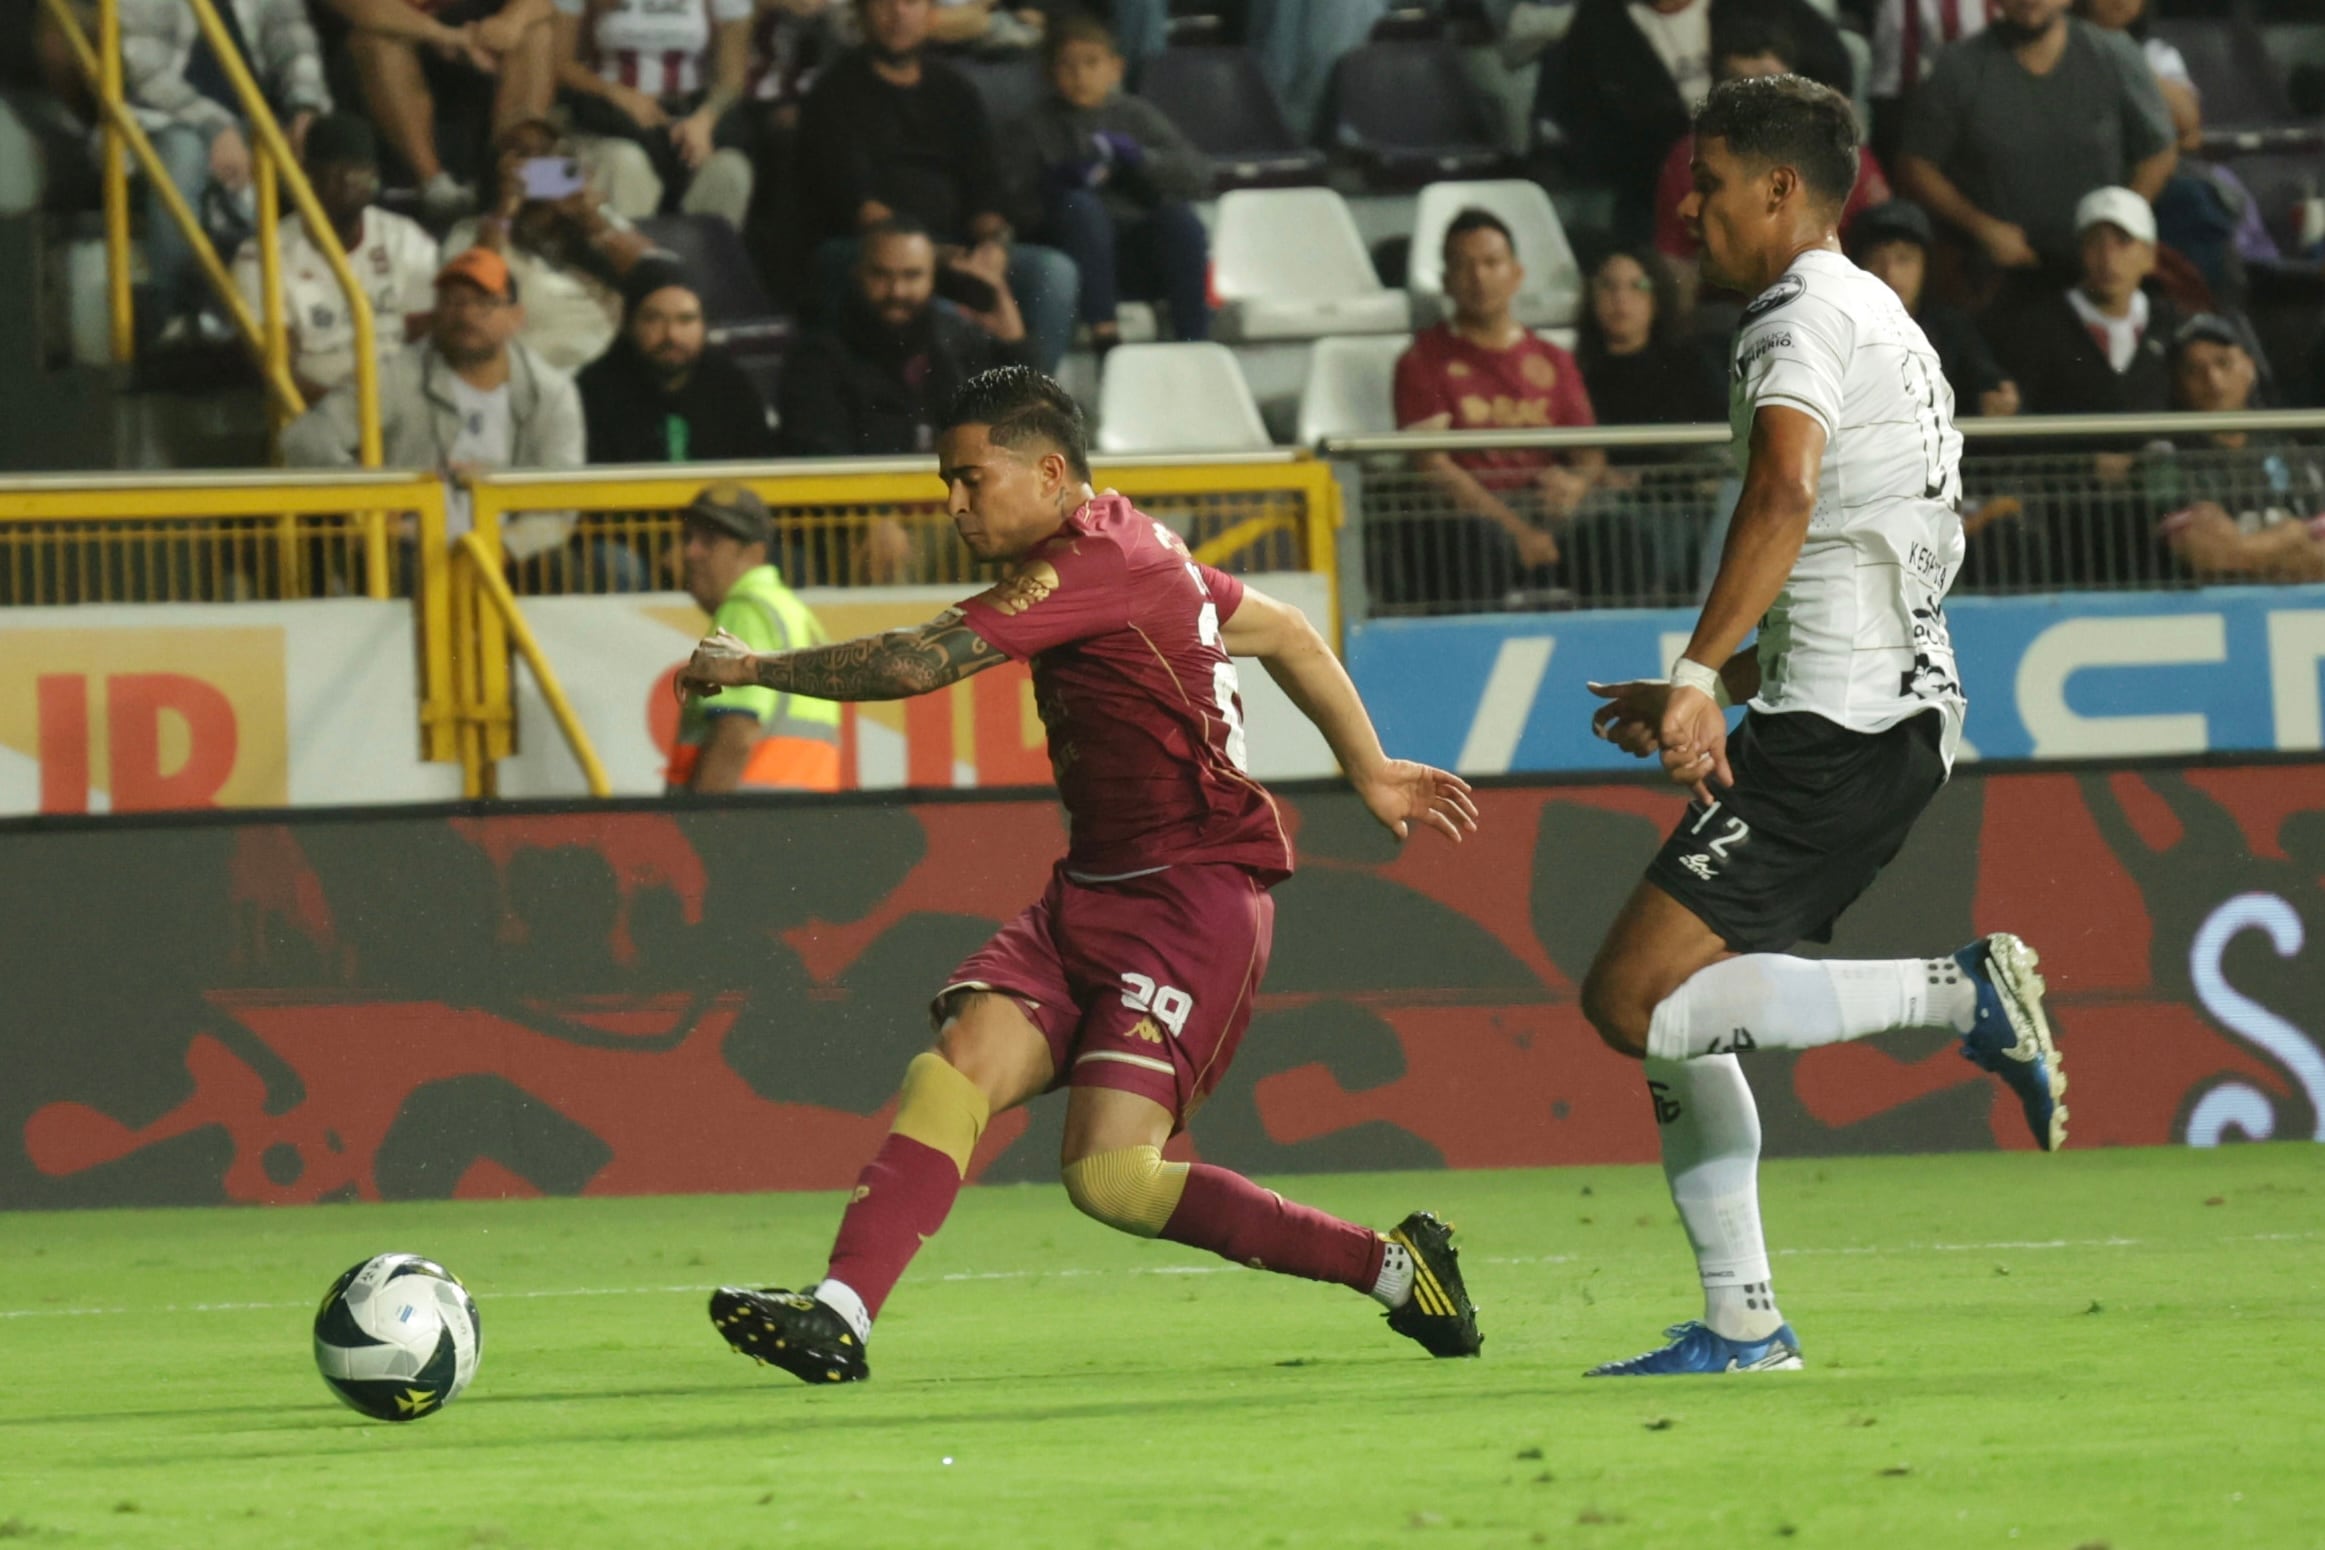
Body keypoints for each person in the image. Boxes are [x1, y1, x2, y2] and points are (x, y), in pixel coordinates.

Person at [679, 365, 1483, 1383]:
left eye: (973, 478)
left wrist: (753, 668)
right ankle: (838, 1314)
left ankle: (1396, 1270)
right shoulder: (1140, 549)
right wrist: (1367, 767)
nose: (956, 503)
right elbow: (1284, 628)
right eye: (946, 483)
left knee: (1111, 1175)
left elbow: (921, 662)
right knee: (959, 1060)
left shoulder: (1093, 562)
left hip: (1191, 901)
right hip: (1091, 893)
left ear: (1050, 470)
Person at [1580, 74, 2064, 1377]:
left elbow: (1788, 491)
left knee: (1631, 1000)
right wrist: (1716, 684)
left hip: (1841, 726)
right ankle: (1742, 1319)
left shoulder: (1797, 314)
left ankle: (1957, 989)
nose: (1689, 210)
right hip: (1866, 709)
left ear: (1780, 188)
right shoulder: (1881, 318)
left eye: (1712, 181)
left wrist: (1694, 670)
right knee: (1681, 1017)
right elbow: (1857, 543)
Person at [794, 0, 1077, 371]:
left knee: (1052, 272)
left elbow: (985, 189)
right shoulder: (834, 93)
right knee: (929, 298)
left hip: (957, 252)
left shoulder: (956, 91)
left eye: (911, 3)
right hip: (868, 251)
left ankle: (1034, 410)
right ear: (861, 17)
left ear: (931, 15)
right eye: (884, 5)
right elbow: (858, 205)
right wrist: (932, 256)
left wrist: (994, 246)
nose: (898, 14)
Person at [282, 247, 588, 571]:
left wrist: (505, 549)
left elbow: (561, 502)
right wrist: (373, 497)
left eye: (484, 303)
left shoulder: (550, 392)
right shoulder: (394, 375)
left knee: (570, 568)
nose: (465, 314)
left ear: (516, 317)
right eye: (452, 301)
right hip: (413, 547)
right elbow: (303, 439)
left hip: (509, 553)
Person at [1385, 208, 1607, 610]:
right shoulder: (1422, 361)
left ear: (1516, 273)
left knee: (1620, 535)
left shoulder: (1553, 359)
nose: (1479, 277)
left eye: (1491, 263)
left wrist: (1575, 483)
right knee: (1475, 546)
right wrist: (1515, 530)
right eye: (1464, 266)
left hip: (1548, 510)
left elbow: (1589, 454)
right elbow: (1433, 466)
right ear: (1446, 281)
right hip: (1474, 520)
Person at [1896, 0, 2175, 280]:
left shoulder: (2113, 53)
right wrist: (1982, 228)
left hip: (2099, 271)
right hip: (1999, 275)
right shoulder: (1957, 66)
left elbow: (2158, 151)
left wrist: (2119, 224)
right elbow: (1917, 164)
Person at [1541, 0, 1851, 240]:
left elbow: (1832, 65)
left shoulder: (1756, 5)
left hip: (1774, 161)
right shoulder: (1600, 21)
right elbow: (1583, 120)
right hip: (1653, 182)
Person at [121, 0, 332, 334]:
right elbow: (147, 74)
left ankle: (323, 302)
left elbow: (292, 38)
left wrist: (304, 106)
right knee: (181, 156)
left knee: (329, 146)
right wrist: (217, 128)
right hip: (172, 118)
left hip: (257, 117)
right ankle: (177, 312)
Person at [1652, 19, 1890, 309]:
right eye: (1737, 85)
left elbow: (1888, 245)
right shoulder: (1688, 159)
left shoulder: (1838, 151)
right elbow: (1677, 268)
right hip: (1727, 317)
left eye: (1767, 86)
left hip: (1832, 307)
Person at [1011, 10, 1210, 347]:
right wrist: (1052, 186)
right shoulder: (1031, 126)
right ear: (1048, 73)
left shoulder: (1136, 114)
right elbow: (1010, 201)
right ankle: (1104, 332)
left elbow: (1199, 175)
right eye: (1067, 65)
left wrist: (1143, 160)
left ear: (1115, 68)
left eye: (1092, 63)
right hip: (1069, 254)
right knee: (1082, 206)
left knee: (1182, 221)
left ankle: (1194, 339)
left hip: (1134, 252)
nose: (1080, 75)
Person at [777, 217, 1030, 458]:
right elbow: (823, 463)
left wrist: (1014, 345)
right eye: (880, 274)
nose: (896, 291)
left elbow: (1028, 430)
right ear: (857, 274)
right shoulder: (819, 358)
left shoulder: (954, 345)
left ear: (932, 280)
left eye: (911, 275)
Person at [231, 113, 441, 401]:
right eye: (335, 166)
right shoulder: (262, 254)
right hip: (319, 409)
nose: (349, 177)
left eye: (360, 166)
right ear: (308, 175)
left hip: (400, 399)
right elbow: (278, 372)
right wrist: (350, 411)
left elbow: (429, 345)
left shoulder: (405, 238)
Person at [444, 118, 659, 372]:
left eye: (550, 153)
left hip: (617, 366)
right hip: (545, 373)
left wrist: (591, 219)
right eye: (522, 154)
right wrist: (506, 208)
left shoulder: (594, 219)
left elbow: (658, 276)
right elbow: (473, 296)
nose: (540, 164)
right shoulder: (473, 235)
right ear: (498, 168)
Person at [667, 482, 841, 793]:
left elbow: (736, 731)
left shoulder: (745, 610)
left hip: (742, 826)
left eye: (710, 541)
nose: (690, 553)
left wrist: (698, 826)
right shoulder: (789, 610)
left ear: (753, 553)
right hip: (798, 822)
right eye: (688, 538)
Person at [326, 0, 558, 221]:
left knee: (536, 29)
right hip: (398, 42)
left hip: (474, 40)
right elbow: (363, 8)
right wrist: (445, 36)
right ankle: (436, 187)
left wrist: (509, 24)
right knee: (375, 40)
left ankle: (524, 173)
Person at [552, 0, 756, 227]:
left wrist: (705, 119)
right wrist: (617, 94)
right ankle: (635, 258)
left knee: (730, 171)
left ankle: (703, 260)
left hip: (688, 118)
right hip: (610, 122)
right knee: (625, 164)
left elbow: (733, 78)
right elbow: (559, 64)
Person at [2152, 316, 2325, 583]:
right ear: (2177, 385)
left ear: (2249, 368)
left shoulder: (2287, 450)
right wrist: (2288, 537)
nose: (2213, 381)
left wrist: (2241, 552)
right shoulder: (2167, 455)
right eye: (2193, 370)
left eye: (2223, 363)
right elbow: (2205, 555)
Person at [1986, 186, 2179, 416]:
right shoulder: (2037, 327)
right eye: (2094, 242)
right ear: (2079, 252)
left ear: (2150, 257)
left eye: (2123, 241)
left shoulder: (2174, 326)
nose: (2108, 258)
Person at [577, 255, 778, 463]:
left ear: (704, 325)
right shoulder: (593, 392)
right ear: (629, 325)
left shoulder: (731, 387)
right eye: (653, 320)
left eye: (686, 320)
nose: (671, 335)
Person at [1848, 199, 2018, 417]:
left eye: (1904, 259)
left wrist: (1998, 399)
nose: (1889, 273)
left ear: (1926, 267)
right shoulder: (1839, 329)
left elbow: (1987, 382)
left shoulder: (1951, 328)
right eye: (1875, 260)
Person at [1574, 247, 1724, 433]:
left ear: (1658, 298)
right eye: (1608, 286)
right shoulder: (1574, 372)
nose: (1620, 298)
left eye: (1638, 286)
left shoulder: (1690, 365)